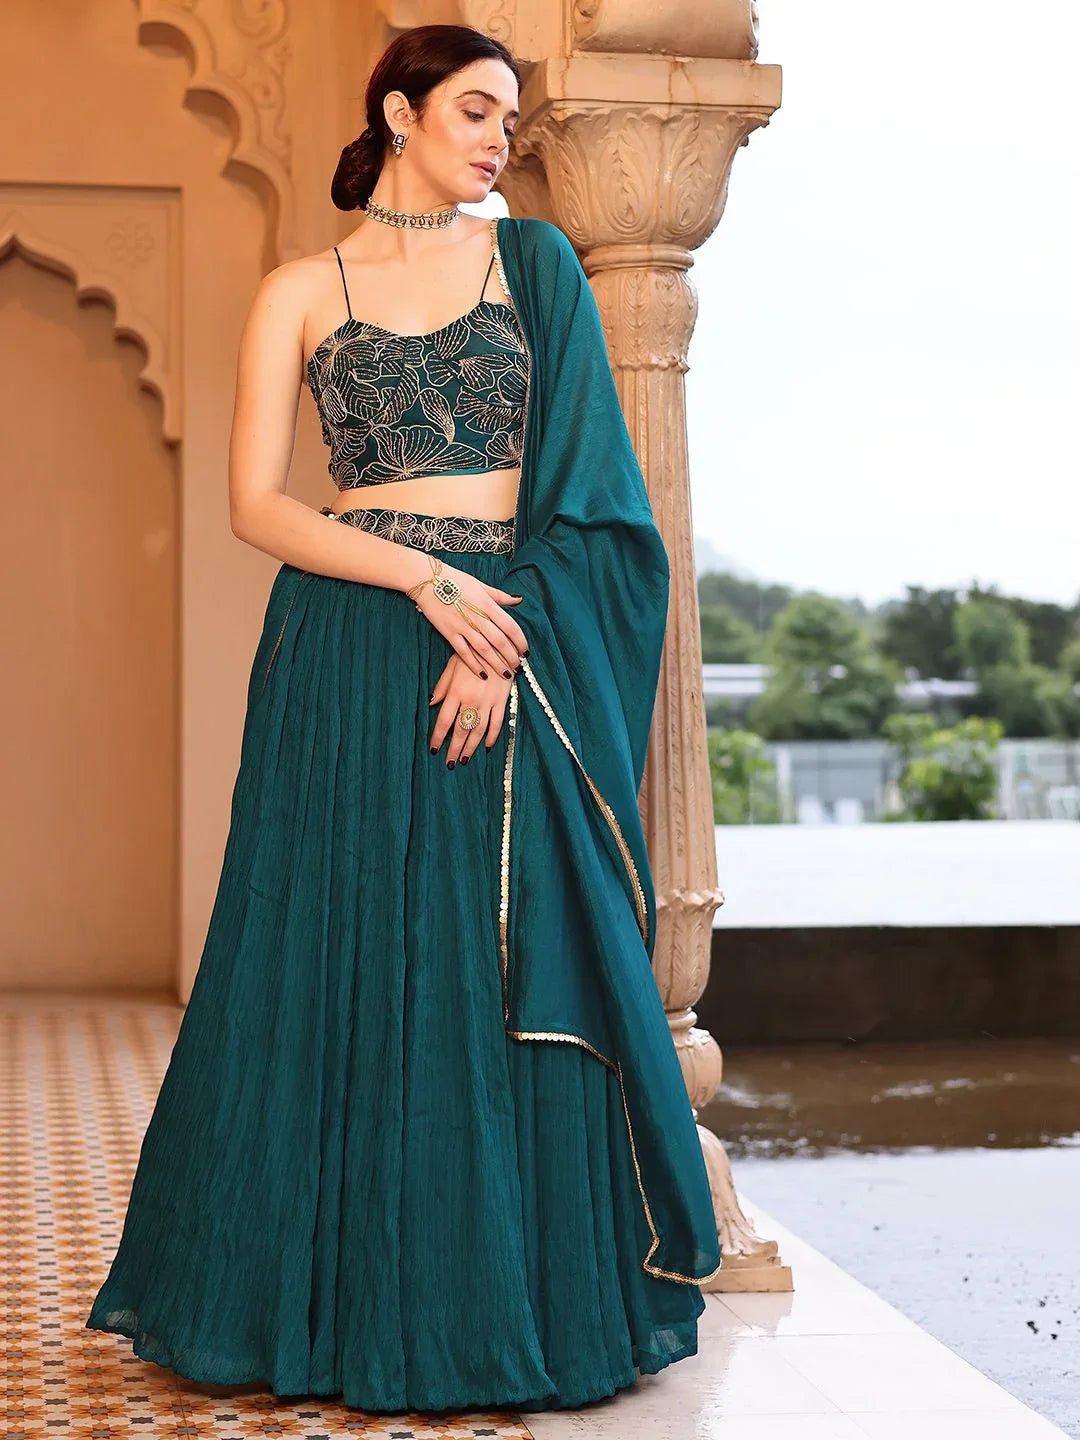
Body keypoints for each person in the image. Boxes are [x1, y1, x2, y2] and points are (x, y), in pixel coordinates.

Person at [84, 21, 722, 1415]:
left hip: (503, 641)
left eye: (512, 114)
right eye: (480, 109)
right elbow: (258, 503)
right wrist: (429, 580)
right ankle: (313, 1306)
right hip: (350, 646)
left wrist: (501, 634)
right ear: (401, 111)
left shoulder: (535, 266)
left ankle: (494, 1303)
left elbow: (598, 504)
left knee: (478, 969)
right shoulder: (300, 287)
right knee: (331, 955)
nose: (504, 137)